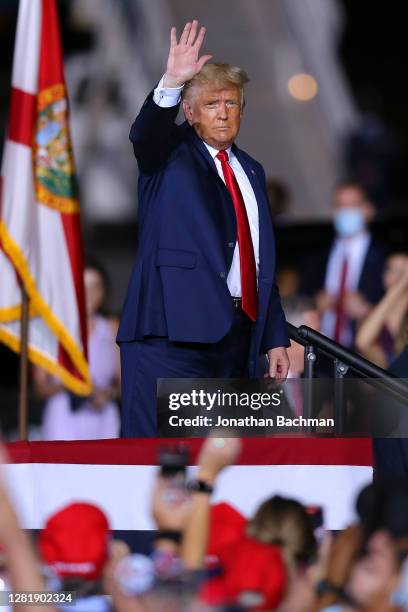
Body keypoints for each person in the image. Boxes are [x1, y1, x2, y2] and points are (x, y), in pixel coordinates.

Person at [117, 20, 289, 437]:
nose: (224, 113)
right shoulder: (169, 153)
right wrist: (172, 81)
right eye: (211, 104)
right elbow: (145, 133)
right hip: (169, 336)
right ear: (189, 112)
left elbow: (256, 256)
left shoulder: (251, 170)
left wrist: (275, 336)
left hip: (235, 340)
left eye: (232, 103)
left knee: (224, 460)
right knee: (155, 461)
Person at [36, 262, 121, 440]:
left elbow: (124, 384)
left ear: (103, 292)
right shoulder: (52, 327)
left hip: (103, 418)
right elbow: (40, 386)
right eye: (83, 287)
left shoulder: (112, 328)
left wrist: (106, 394)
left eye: (94, 287)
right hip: (63, 418)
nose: (88, 295)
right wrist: (72, 385)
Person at [300, 180, 386, 348]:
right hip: (321, 353)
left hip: (366, 358)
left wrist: (368, 312)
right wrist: (314, 305)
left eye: (353, 206)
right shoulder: (316, 258)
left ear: (368, 210)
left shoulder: (384, 258)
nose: (346, 212)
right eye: (340, 206)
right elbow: (300, 301)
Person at [355, 251, 408, 368]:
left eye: (403, 271)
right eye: (391, 269)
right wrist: (397, 288)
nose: (399, 276)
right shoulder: (370, 317)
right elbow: (363, 342)